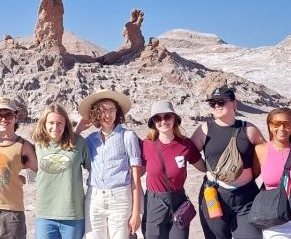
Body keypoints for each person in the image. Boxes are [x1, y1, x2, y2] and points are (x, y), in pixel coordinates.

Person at [191, 86, 266, 239]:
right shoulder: (204, 130)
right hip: (214, 195)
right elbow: (189, 153)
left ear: (234, 104)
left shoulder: (249, 129)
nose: (217, 106)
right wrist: (204, 168)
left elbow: (265, 156)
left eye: (221, 102)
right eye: (213, 103)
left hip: (246, 198)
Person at [76, 89, 142, 239]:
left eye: (111, 110)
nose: (108, 115)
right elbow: (69, 150)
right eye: (103, 110)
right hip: (94, 199)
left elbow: (136, 178)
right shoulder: (90, 140)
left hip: (120, 199)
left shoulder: (128, 136)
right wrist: (78, 130)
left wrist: (136, 212)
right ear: (96, 114)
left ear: (117, 112)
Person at [141, 101, 206, 239]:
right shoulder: (146, 145)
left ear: (174, 118)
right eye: (158, 118)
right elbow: (136, 174)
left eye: (167, 116)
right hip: (154, 202)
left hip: (179, 201)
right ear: (153, 122)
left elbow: (204, 168)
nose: (163, 121)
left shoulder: (185, 144)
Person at [253, 107, 291, 238]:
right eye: (276, 124)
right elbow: (249, 178)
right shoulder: (260, 150)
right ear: (270, 126)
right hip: (273, 217)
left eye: (286, 124)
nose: (281, 128)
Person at [31, 103, 90, 239]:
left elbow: (95, 168)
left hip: (73, 215)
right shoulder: (37, 144)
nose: (55, 127)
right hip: (45, 215)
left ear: (66, 124)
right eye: (51, 123)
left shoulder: (79, 143)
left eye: (60, 123)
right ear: (44, 123)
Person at [0, 96, 37, 239]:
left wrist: (21, 177)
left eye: (8, 114)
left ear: (16, 117)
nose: (3, 119)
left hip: (11, 214)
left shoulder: (23, 146)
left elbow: (40, 172)